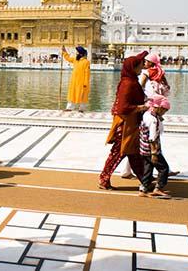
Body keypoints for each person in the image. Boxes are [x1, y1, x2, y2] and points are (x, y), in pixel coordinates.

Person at [98, 51, 149, 190]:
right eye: (140, 65)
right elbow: (122, 107)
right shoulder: (128, 83)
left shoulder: (131, 81)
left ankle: (145, 181)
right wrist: (140, 107)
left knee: (134, 153)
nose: (142, 67)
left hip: (131, 123)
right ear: (133, 68)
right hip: (125, 124)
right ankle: (104, 179)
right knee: (119, 152)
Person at [139, 95, 172, 198]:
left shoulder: (147, 114)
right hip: (151, 149)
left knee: (148, 169)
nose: (164, 113)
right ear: (158, 107)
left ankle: (143, 189)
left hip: (143, 148)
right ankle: (158, 188)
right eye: (164, 110)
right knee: (164, 168)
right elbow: (152, 138)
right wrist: (154, 154)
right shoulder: (153, 120)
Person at [61, 45, 90, 112]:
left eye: (77, 52)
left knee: (82, 95)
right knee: (72, 94)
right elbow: (68, 58)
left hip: (82, 82)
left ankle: (81, 109)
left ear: (81, 54)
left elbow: (87, 73)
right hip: (74, 81)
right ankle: (69, 108)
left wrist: (85, 83)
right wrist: (64, 51)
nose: (76, 54)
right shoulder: (75, 60)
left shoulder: (86, 62)